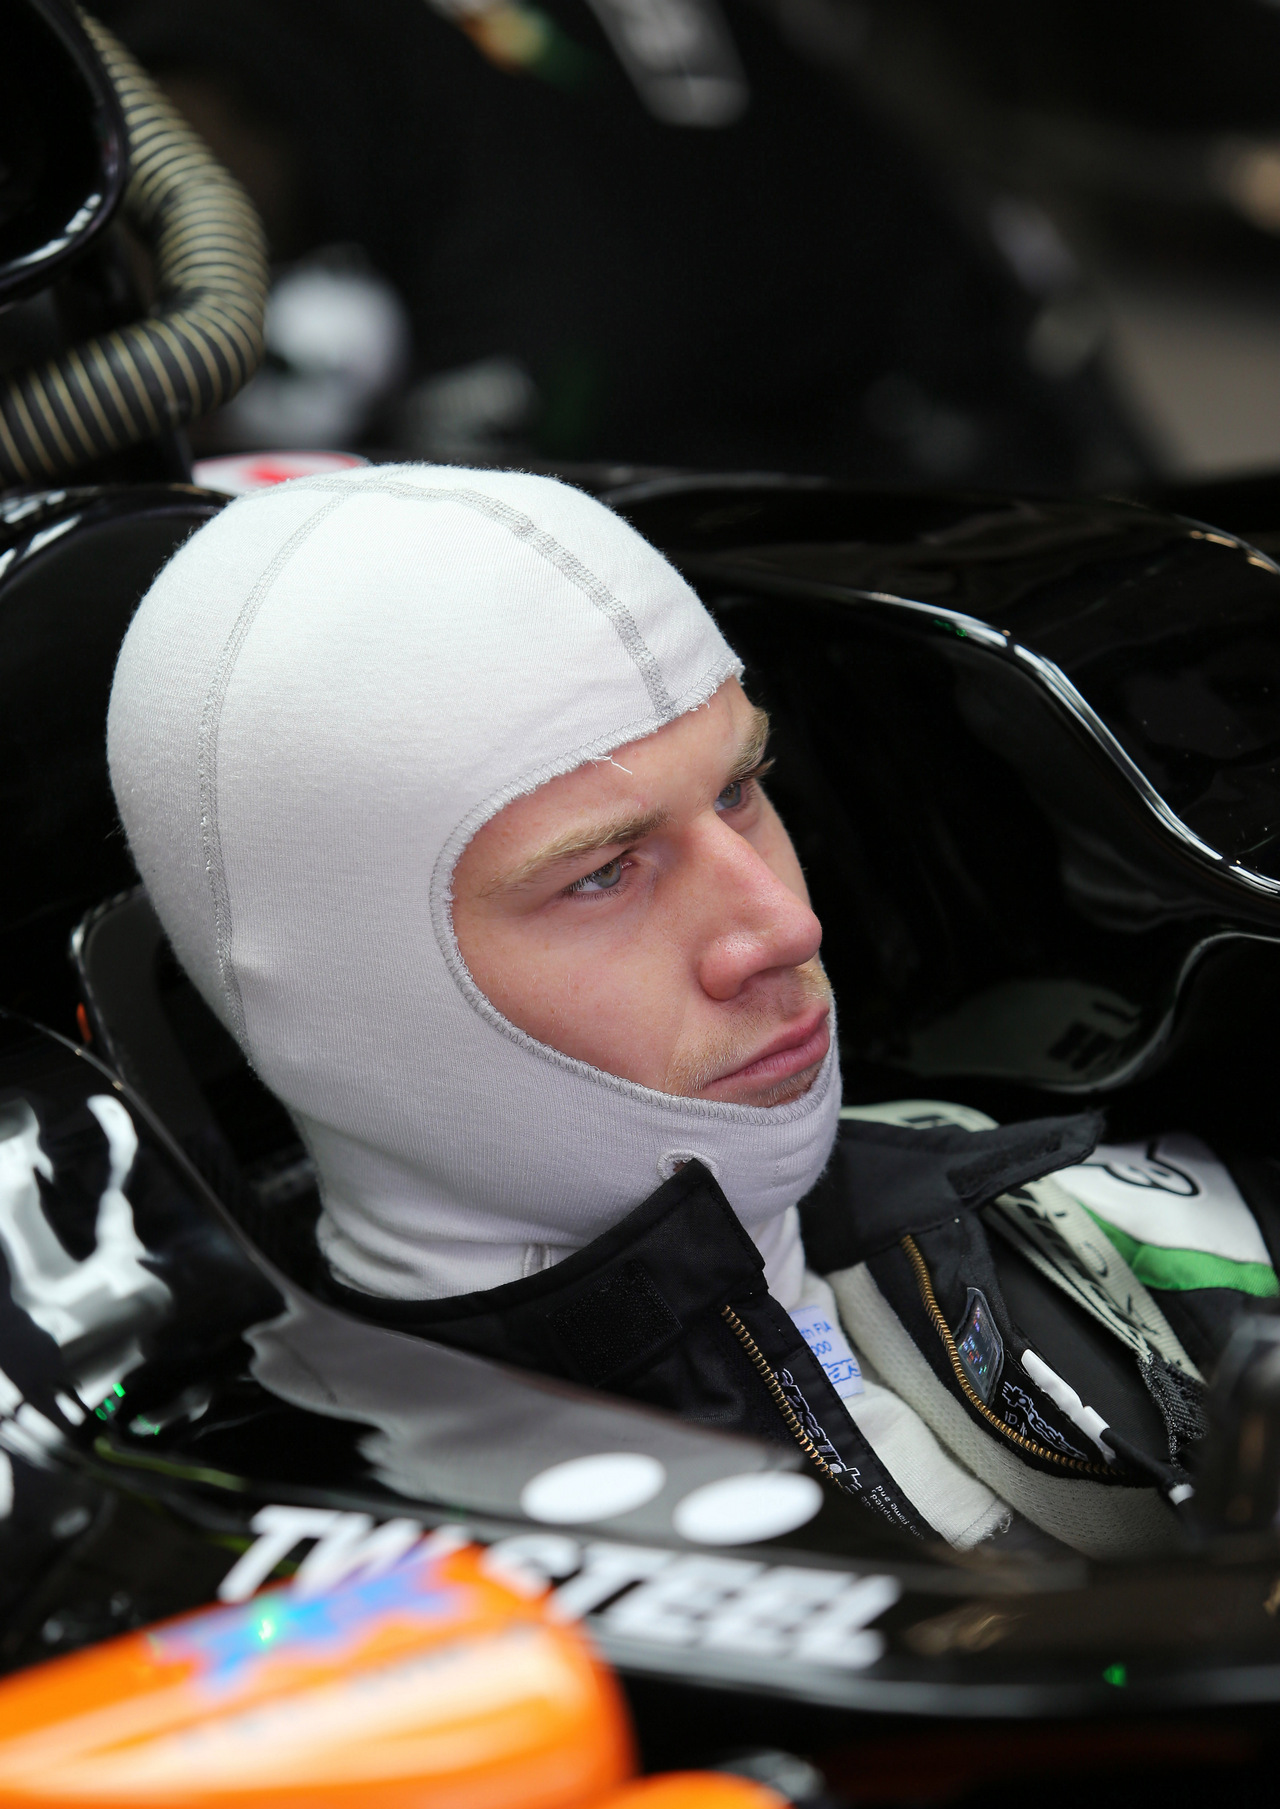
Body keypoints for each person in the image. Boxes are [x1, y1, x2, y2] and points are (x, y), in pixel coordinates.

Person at [108, 464, 1228, 1559]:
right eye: (601, 873)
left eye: (738, 792)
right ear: (333, 994)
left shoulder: (1112, 1218)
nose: (783, 927)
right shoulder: (337, 1599)